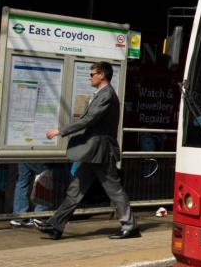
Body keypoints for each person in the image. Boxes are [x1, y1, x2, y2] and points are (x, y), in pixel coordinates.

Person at [35, 61, 139, 240]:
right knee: (75, 190)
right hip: (91, 152)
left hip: (101, 152)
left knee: (114, 190)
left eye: (92, 74)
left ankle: (130, 226)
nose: (90, 77)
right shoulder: (99, 94)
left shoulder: (107, 95)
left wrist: (61, 131)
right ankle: (55, 225)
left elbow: (89, 119)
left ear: (102, 75)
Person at [9, 163, 49, 227]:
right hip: (39, 156)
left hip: (22, 154)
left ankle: (19, 217)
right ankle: (38, 215)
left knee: (22, 182)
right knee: (51, 174)